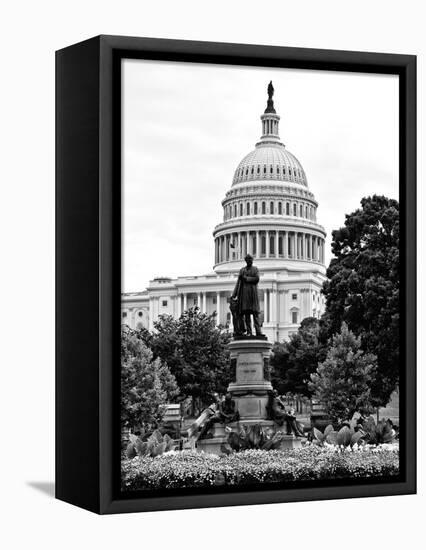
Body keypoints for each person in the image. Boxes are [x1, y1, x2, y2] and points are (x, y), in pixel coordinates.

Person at [232, 254, 262, 336]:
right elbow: (238, 283)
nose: (250, 261)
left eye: (251, 260)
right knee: (247, 315)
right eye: (248, 260)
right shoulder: (242, 270)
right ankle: (249, 332)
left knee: (255, 313)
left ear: (252, 260)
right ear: (246, 261)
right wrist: (234, 295)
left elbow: (256, 279)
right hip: (244, 294)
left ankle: (258, 331)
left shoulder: (255, 269)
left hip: (253, 294)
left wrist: (246, 278)